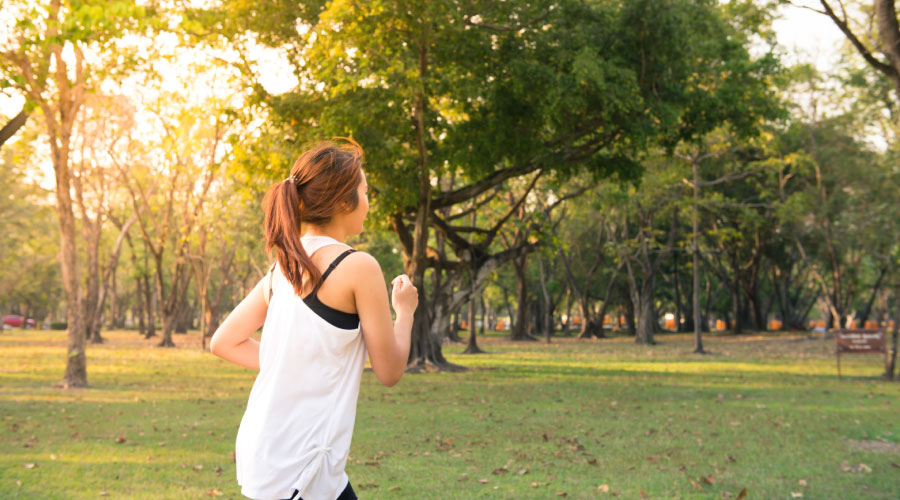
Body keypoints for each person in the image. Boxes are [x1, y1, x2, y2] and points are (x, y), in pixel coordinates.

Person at [210, 139, 418, 500]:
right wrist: (405, 312)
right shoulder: (358, 266)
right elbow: (390, 371)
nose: (369, 203)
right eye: (365, 192)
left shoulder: (282, 267)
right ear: (342, 201)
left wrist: (292, 362)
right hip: (302, 465)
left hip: (269, 451)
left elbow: (224, 342)